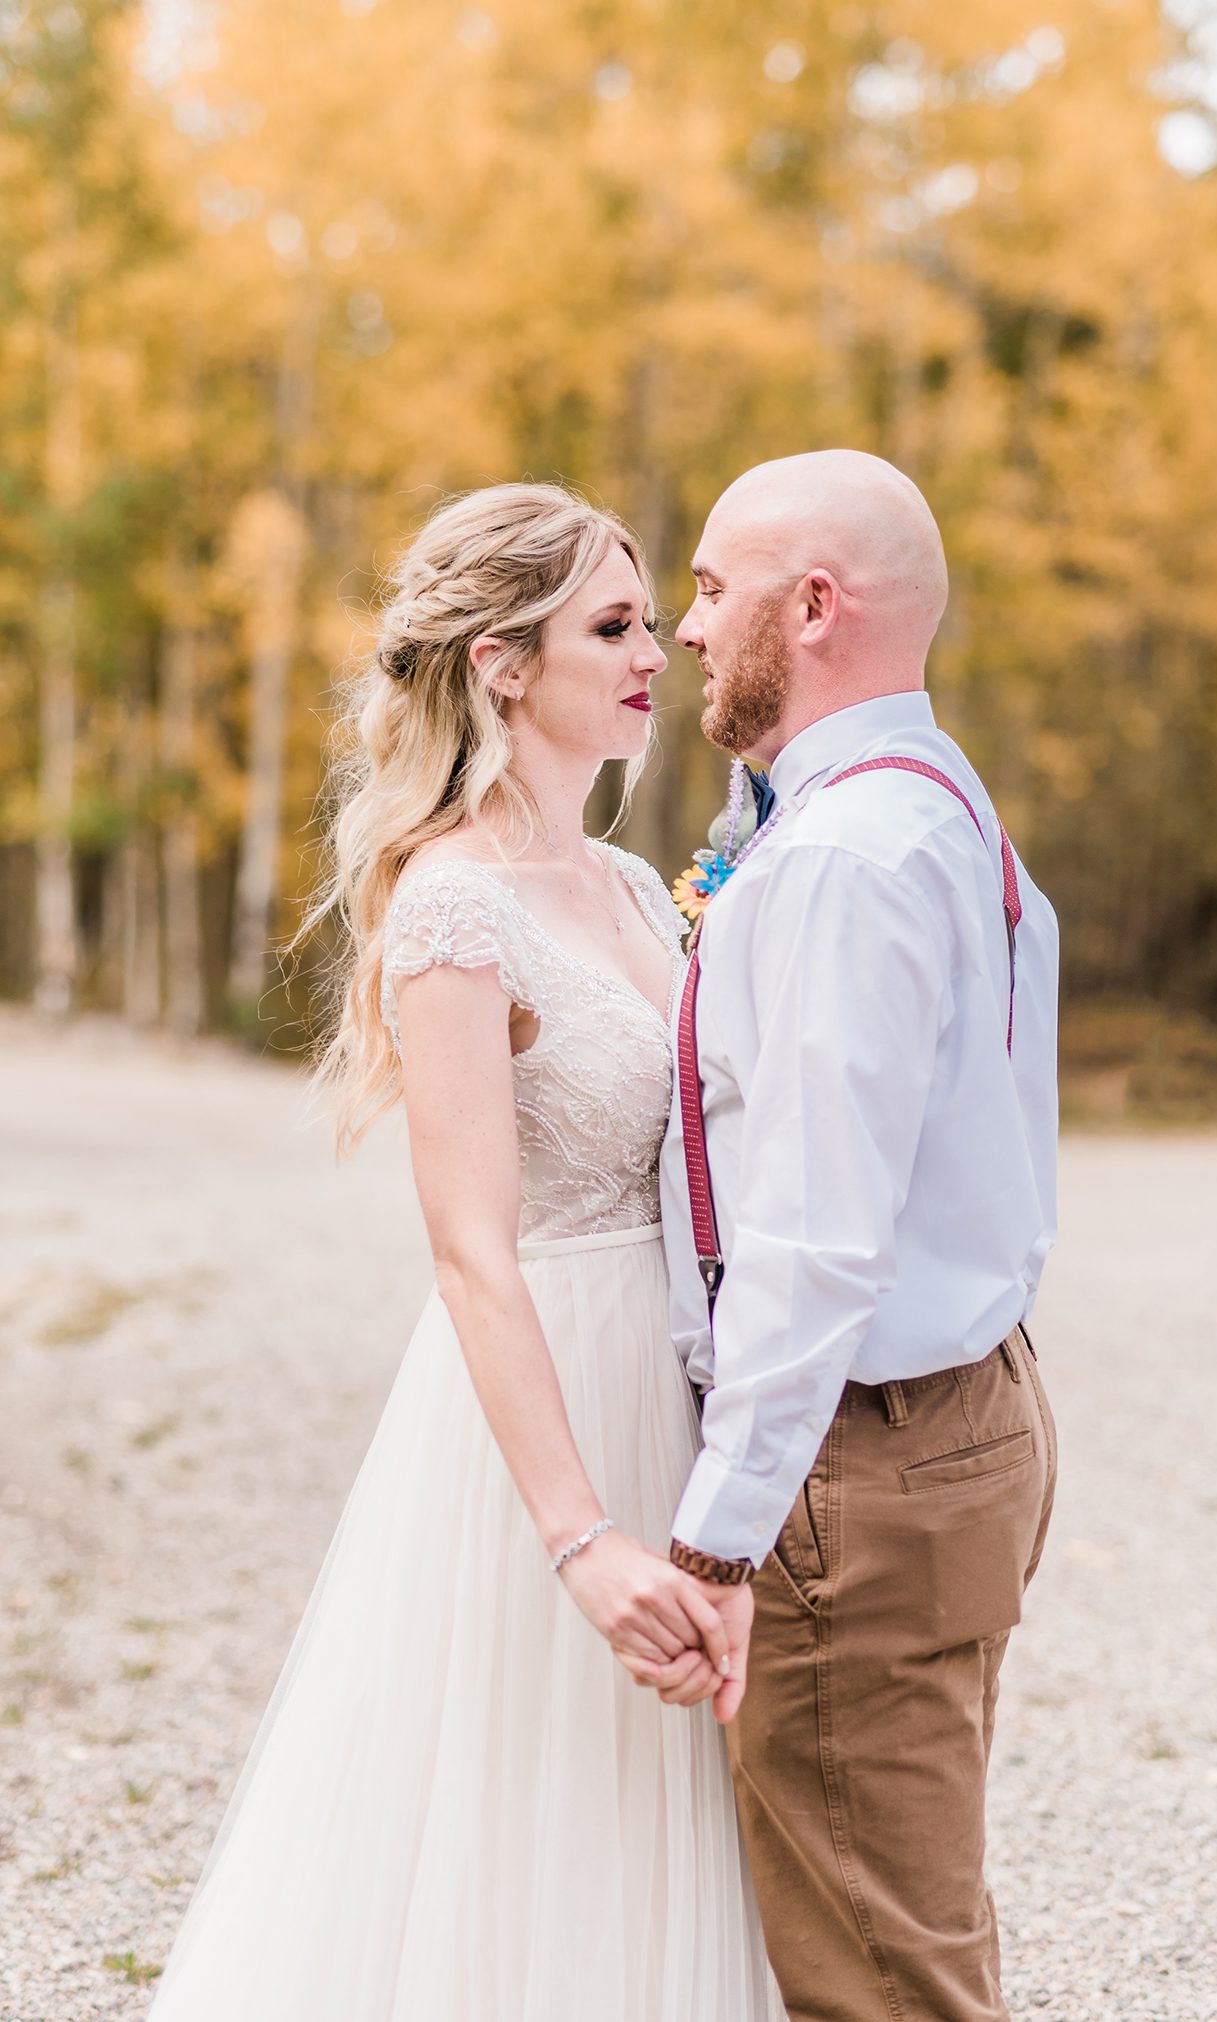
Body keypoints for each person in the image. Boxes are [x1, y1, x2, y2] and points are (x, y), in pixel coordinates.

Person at [146, 483, 786, 2022]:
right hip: (548, 1411)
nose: (656, 656)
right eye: (614, 628)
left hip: (677, 1380)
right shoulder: (450, 910)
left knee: (666, 1825)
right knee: (528, 1824)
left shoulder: (634, 886)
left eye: (650, 622)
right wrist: (582, 1538)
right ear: (502, 663)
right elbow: (469, 1251)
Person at [657, 450, 1060, 2022]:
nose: (688, 630)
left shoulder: (840, 857)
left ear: (811, 605)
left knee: (883, 1980)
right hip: (958, 1423)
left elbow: (818, 1233)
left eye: (707, 587)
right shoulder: (937, 805)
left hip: (859, 1467)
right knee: (904, 1924)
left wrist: (717, 1530)